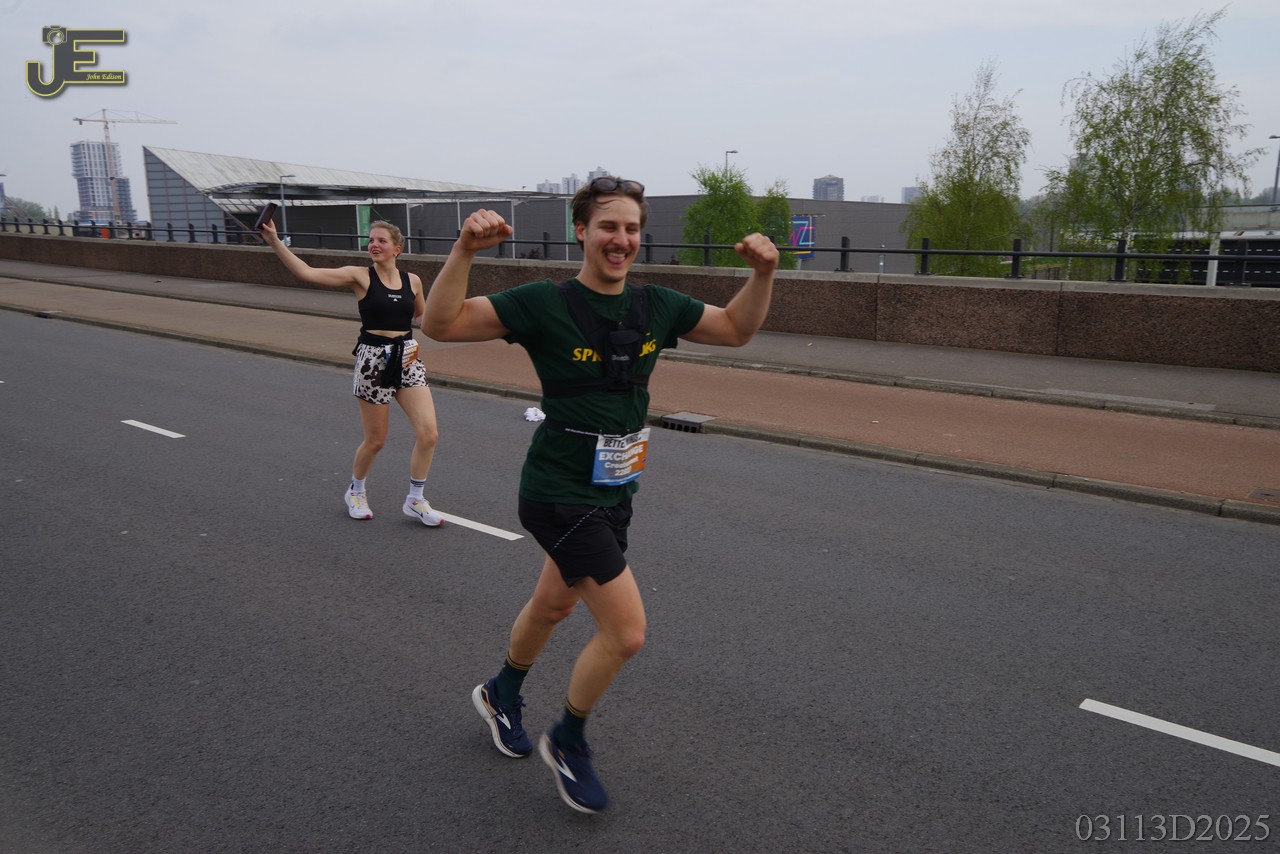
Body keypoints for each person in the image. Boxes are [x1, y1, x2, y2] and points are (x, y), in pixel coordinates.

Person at [422, 176, 778, 813]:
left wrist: (763, 274)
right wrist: (465, 251)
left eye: (632, 228)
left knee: (553, 605)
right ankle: (568, 740)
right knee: (627, 632)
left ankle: (501, 693)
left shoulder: (656, 305)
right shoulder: (543, 303)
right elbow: (440, 324)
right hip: (558, 490)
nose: (622, 239)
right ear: (581, 231)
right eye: (609, 226)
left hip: (615, 487)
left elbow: (734, 329)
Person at [260, 217, 443, 526]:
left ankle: (415, 500)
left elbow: (422, 317)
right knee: (376, 440)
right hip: (373, 360)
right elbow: (307, 273)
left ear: (397, 248)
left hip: (407, 357)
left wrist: (455, 319)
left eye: (381, 240)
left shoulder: (413, 280)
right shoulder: (359, 276)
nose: (374, 245)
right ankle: (355, 491)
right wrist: (276, 242)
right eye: (371, 240)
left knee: (429, 433)